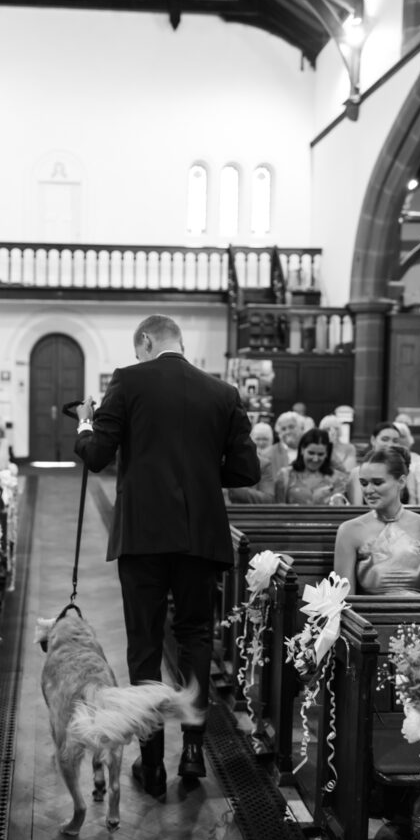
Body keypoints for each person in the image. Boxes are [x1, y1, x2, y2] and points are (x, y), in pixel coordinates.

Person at [74, 314, 260, 797]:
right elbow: (245, 470)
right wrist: (196, 473)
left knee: (145, 643)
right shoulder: (222, 392)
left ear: (145, 341)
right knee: (195, 633)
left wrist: (84, 421)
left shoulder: (130, 380)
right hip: (201, 534)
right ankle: (195, 749)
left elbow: (96, 456)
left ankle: (151, 760)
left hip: (143, 534)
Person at [334, 447, 420, 596]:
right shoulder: (349, 531)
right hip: (368, 618)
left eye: (377, 482)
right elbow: (343, 602)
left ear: (401, 481)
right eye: (364, 483)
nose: (368, 490)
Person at [274, 428, 349, 505]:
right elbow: (278, 509)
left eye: (320, 454)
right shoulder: (285, 476)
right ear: (302, 450)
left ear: (327, 454)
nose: (315, 459)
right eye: (311, 453)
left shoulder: (338, 479)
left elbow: (340, 510)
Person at [345, 421, 402, 504]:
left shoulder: (407, 472)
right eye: (385, 439)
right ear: (373, 440)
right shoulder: (358, 472)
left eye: (395, 441)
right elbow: (357, 508)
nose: (390, 444)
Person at [227, 421, 275, 503]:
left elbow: (268, 499)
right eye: (258, 439)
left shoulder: (263, 464)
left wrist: (231, 489)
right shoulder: (219, 461)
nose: (261, 443)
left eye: (265, 439)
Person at [267, 411, 303, 480]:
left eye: (291, 427)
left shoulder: (310, 450)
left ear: (301, 428)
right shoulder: (268, 454)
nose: (287, 432)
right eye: (283, 429)